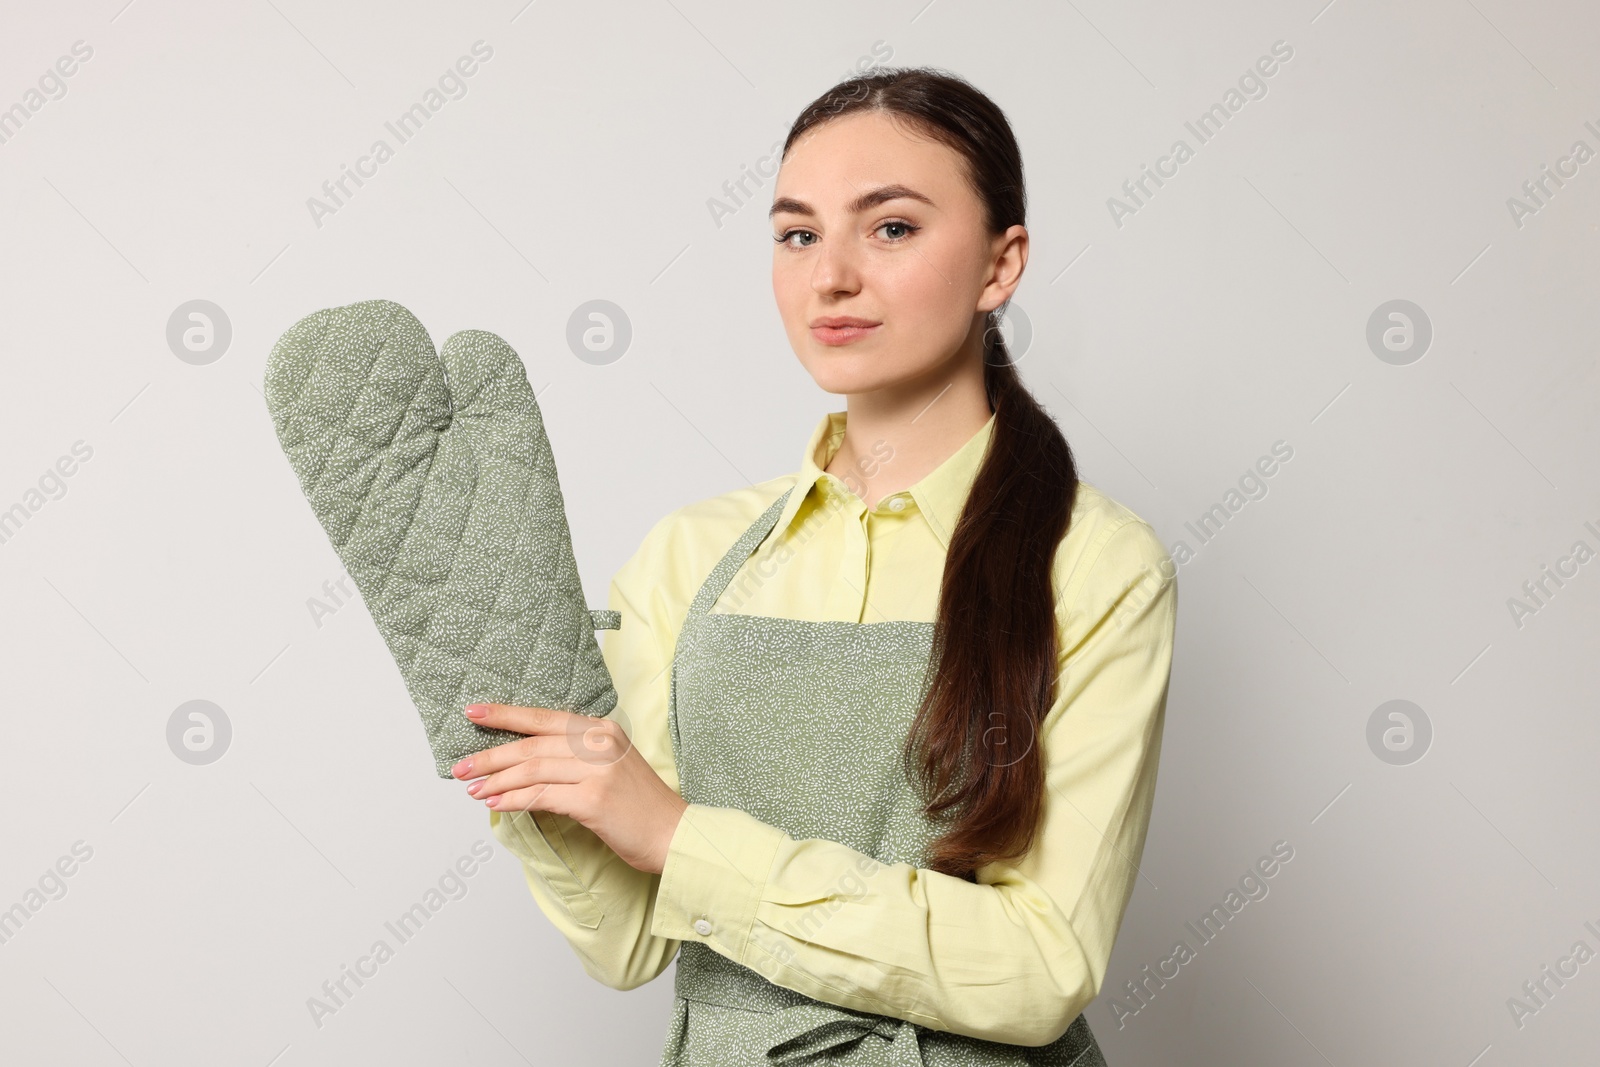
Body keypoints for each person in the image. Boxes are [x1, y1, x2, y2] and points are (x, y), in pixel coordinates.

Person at [454, 67, 1178, 1065]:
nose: (827, 275)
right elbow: (625, 942)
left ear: (999, 264)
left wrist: (684, 837)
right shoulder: (691, 553)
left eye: (889, 228)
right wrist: (506, 732)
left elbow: (1038, 966)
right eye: (797, 233)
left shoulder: (1093, 563)